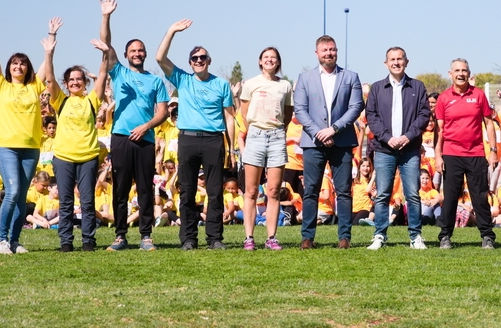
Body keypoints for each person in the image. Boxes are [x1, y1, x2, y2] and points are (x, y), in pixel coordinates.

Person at [0, 13, 57, 255]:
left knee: (21, 197)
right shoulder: (2, 85)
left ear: (27, 67)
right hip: (6, 146)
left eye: (22, 63)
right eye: (14, 63)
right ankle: (1, 240)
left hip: (30, 147)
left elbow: (47, 66)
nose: (18, 66)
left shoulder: (34, 86)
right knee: (12, 192)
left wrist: (51, 40)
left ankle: (15, 240)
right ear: (9, 68)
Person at [155, 19, 235, 251]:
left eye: (203, 57)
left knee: (214, 191)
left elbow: (229, 118)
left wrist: (230, 148)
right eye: (194, 58)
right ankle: (189, 238)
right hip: (188, 139)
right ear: (190, 63)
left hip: (213, 140)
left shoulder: (221, 84)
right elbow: (160, 58)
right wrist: (171, 31)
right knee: (187, 191)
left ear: (209, 61)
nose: (199, 61)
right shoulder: (182, 78)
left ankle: (214, 238)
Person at [98, 0, 168, 252]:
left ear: (145, 54)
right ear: (126, 55)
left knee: (145, 189)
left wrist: (146, 127)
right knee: (121, 188)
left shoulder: (156, 81)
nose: (137, 54)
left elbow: (162, 112)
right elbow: (106, 45)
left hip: (146, 140)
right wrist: (106, 16)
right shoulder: (119, 72)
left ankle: (146, 236)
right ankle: (120, 236)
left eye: (140, 50)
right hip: (121, 138)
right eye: (133, 51)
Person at [294, 35, 363, 249]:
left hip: (342, 141)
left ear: (337, 51)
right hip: (313, 143)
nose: (328, 53)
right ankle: (307, 237)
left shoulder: (351, 77)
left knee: (343, 191)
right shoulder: (304, 78)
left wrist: (333, 130)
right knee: (311, 190)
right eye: (324, 50)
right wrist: (319, 133)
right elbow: (300, 110)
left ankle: (344, 237)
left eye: (332, 49)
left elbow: (356, 107)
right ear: (317, 53)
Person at [45, 31, 109, 252]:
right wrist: (49, 54)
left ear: (84, 83)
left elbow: (102, 75)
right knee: (65, 202)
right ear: (66, 84)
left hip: (88, 157)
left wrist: (104, 54)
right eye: (71, 80)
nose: (74, 82)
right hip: (63, 157)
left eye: (78, 79)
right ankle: (65, 242)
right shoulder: (60, 101)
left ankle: (88, 240)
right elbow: (49, 79)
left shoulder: (92, 101)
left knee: (88, 202)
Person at [364, 46, 431, 250]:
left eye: (400, 59)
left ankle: (415, 236)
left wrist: (407, 136)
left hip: (409, 150)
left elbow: (423, 115)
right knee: (383, 194)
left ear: (406, 62)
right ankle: (379, 235)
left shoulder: (418, 87)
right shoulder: (376, 88)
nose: (396, 62)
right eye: (392, 59)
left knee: (412, 194)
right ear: (386, 63)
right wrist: (387, 138)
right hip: (384, 149)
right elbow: (371, 116)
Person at [435, 58, 499, 250]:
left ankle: (487, 236)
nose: (461, 74)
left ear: (469, 73)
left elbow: (489, 124)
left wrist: (493, 151)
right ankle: (445, 236)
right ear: (450, 74)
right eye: (457, 70)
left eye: (464, 70)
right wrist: (438, 156)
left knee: (480, 197)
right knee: (451, 197)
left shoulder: (479, 95)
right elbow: (440, 130)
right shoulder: (444, 98)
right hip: (451, 154)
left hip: (476, 154)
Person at [238, 47, 293, 251]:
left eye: (274, 58)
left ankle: (271, 237)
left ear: (278, 62)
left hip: (277, 136)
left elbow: (287, 114)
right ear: (260, 61)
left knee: (273, 191)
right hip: (255, 136)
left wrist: (276, 128)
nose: (270, 60)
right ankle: (249, 237)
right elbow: (245, 114)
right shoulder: (250, 84)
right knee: (251, 191)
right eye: (266, 57)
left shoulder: (285, 85)